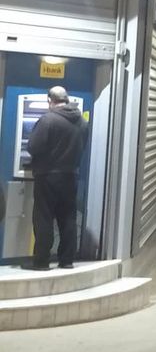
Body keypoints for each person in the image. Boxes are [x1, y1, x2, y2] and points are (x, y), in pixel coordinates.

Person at [26, 85, 89, 271]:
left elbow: (33, 147)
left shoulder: (48, 120)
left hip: (47, 176)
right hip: (70, 176)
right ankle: (66, 260)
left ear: (49, 100)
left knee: (43, 217)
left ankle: (41, 262)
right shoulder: (82, 122)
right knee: (68, 217)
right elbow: (82, 146)